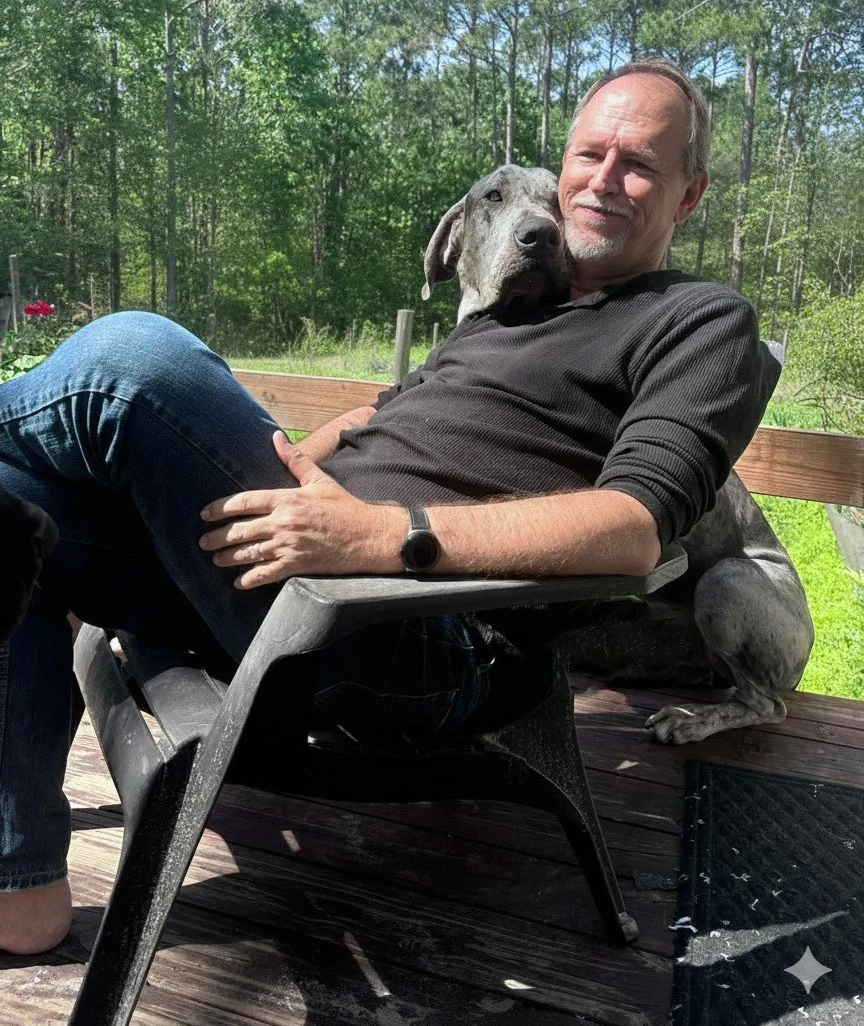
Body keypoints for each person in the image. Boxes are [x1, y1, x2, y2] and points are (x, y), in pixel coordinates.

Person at [0, 57, 778, 954]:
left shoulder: (701, 319)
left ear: (689, 196)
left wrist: (378, 534)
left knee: (137, 359)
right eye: (588, 154)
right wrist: (311, 452)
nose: (603, 180)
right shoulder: (503, 319)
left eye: (639, 163)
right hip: (277, 563)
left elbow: (634, 529)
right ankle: (19, 882)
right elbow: (393, 420)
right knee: (20, 512)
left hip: (406, 630)